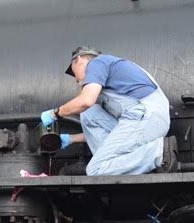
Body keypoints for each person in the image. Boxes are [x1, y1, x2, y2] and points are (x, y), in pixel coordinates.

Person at [40, 46, 176, 176]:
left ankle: (157, 153)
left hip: (146, 116)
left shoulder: (96, 63)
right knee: (89, 114)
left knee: (95, 169)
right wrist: (71, 139)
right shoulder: (114, 72)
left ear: (80, 59)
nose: (76, 79)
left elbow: (86, 100)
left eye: (73, 71)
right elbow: (115, 131)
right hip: (142, 118)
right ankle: (122, 164)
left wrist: (55, 113)